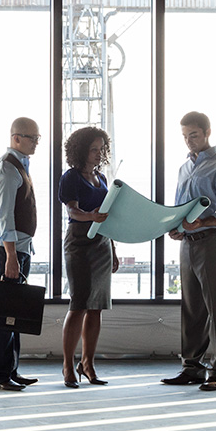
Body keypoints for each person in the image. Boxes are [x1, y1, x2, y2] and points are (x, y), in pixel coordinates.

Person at [163, 111, 216, 391]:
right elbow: (180, 207)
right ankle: (191, 368)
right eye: (184, 137)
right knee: (191, 308)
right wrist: (176, 227)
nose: (189, 142)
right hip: (187, 244)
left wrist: (201, 222)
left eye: (193, 135)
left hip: (210, 242)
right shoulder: (184, 168)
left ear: (207, 132)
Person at [0, 117, 42, 391]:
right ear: (16, 138)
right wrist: (10, 257)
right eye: (32, 138)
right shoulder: (8, 169)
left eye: (37, 138)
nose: (36, 143)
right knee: (4, 314)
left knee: (14, 314)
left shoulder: (19, 166)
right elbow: (5, 216)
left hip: (18, 248)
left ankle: (10, 370)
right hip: (8, 248)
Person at [58, 126, 119, 388]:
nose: (98, 153)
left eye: (101, 149)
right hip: (79, 243)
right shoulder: (70, 177)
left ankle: (88, 364)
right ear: (81, 150)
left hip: (102, 244)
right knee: (79, 304)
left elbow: (107, 217)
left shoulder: (103, 179)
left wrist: (114, 249)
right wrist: (91, 215)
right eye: (94, 149)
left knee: (97, 307)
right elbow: (73, 212)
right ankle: (68, 366)